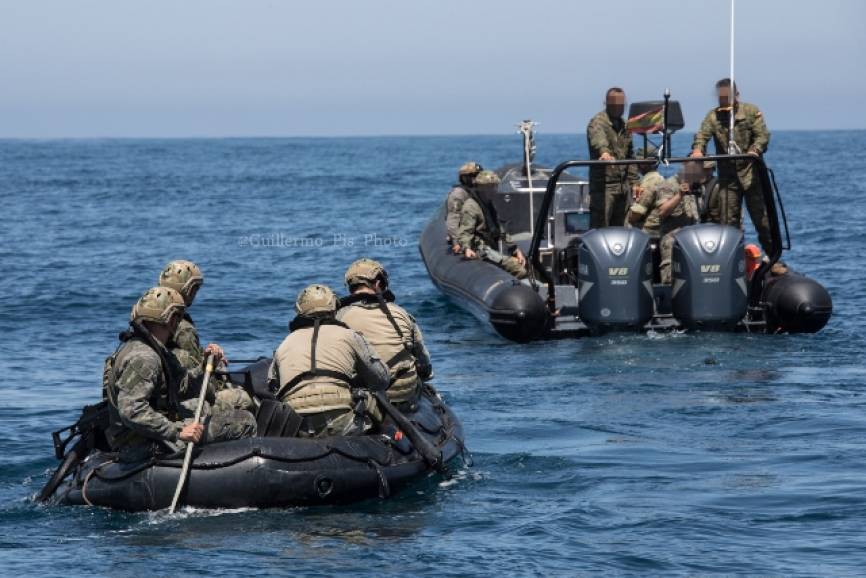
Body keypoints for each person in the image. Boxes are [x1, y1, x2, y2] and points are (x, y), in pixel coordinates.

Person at [102, 287, 256, 461]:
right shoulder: (145, 358)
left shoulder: (151, 348)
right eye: (178, 316)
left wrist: (206, 366)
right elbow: (132, 410)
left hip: (150, 432)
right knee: (245, 422)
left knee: (207, 406)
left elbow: (182, 387)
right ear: (171, 319)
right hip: (142, 444)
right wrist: (178, 431)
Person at [269, 284, 389, 438]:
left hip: (297, 425)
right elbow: (381, 379)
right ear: (333, 308)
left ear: (300, 311)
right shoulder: (350, 336)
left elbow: (273, 387)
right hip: (342, 423)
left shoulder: (284, 344)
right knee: (376, 398)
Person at [337, 259, 432, 411]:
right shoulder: (401, 313)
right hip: (404, 392)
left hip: (368, 398)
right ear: (378, 284)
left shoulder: (340, 317)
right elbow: (423, 361)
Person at [158, 260, 253, 412]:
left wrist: (209, 356)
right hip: (185, 397)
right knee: (243, 398)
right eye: (194, 289)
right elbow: (196, 376)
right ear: (187, 290)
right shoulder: (183, 329)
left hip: (169, 390)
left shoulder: (156, 319)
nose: (195, 294)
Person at [690, 78, 772, 253]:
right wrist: (698, 150)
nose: (724, 101)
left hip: (752, 175)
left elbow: (762, 136)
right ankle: (732, 259)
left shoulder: (751, 111)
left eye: (727, 97)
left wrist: (754, 150)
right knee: (728, 222)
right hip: (728, 179)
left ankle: (773, 256)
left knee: (763, 221)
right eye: (721, 98)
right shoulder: (713, 116)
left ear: (737, 95)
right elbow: (702, 135)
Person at [455, 170, 528, 279]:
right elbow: (465, 232)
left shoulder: (488, 205)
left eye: (495, 186)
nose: (494, 190)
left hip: (490, 247)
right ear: (481, 188)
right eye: (490, 187)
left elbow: (500, 230)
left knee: (524, 261)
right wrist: (467, 248)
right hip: (480, 249)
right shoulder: (471, 207)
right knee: (518, 269)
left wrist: (515, 249)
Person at [629, 176, 699, 283]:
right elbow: (660, 212)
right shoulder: (666, 184)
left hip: (687, 239)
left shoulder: (649, 183)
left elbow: (635, 215)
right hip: (668, 238)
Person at [587, 87, 639, 229]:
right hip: (604, 186)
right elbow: (599, 141)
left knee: (622, 228)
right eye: (614, 104)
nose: (618, 107)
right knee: (601, 227)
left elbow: (630, 156)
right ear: (606, 103)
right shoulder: (597, 123)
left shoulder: (625, 126)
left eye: (621, 104)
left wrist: (634, 182)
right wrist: (604, 153)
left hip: (623, 186)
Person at [446, 161, 483, 253]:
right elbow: (453, 219)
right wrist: (457, 242)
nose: (477, 178)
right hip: (463, 235)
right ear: (464, 178)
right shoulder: (458, 194)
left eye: (479, 175)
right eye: (473, 175)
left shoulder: (476, 191)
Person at [627, 170, 666, 238]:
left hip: (649, 228)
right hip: (659, 225)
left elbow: (636, 213)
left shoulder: (650, 180)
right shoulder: (660, 176)